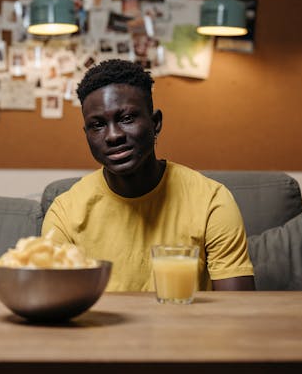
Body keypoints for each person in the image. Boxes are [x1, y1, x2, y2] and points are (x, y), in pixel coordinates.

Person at [41, 59, 254, 292]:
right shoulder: (65, 213)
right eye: (98, 125)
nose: (113, 136)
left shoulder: (212, 201)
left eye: (127, 119)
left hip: (187, 327)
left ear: (155, 123)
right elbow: (55, 307)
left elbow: (237, 310)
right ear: (87, 135)